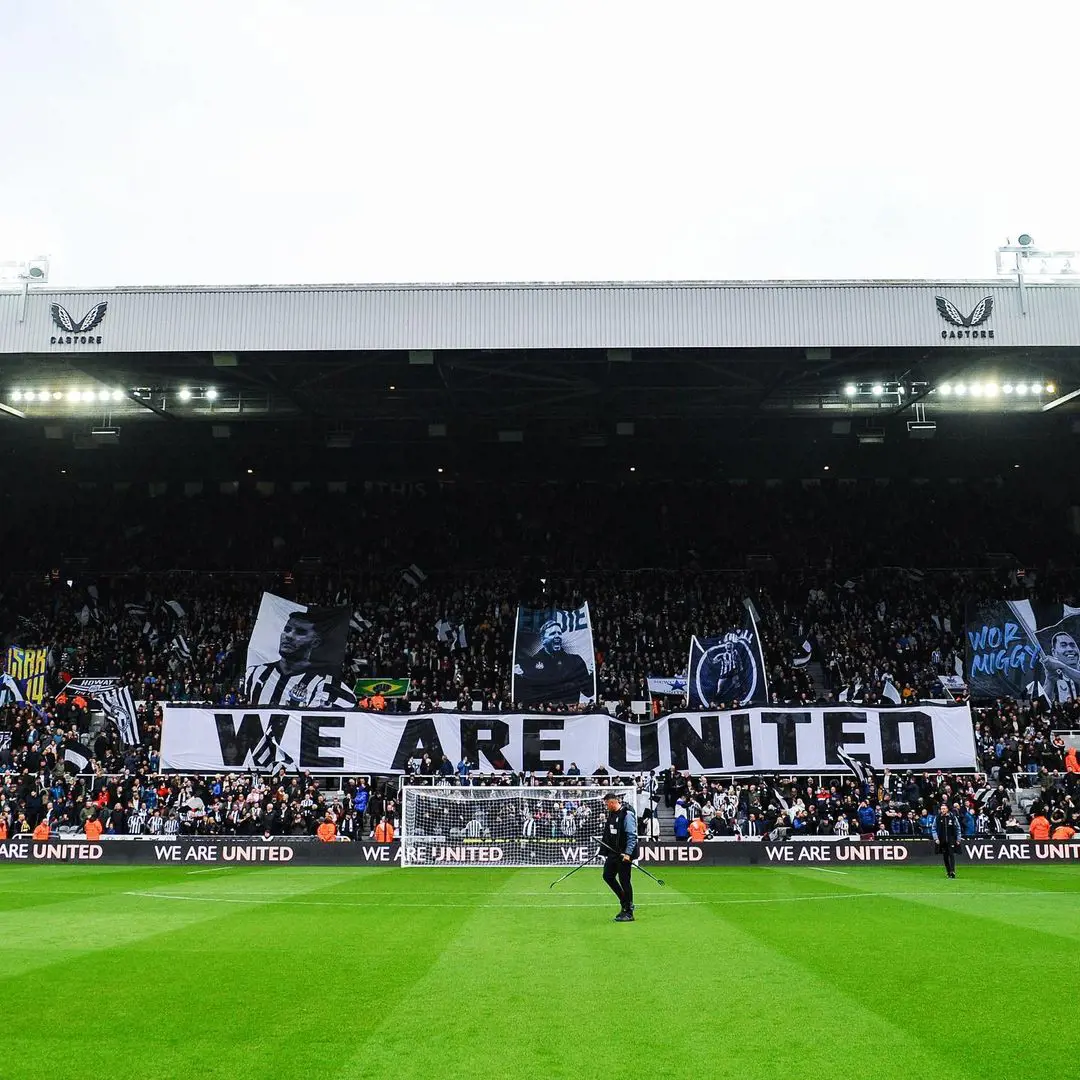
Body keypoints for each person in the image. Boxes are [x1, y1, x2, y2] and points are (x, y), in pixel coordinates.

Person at [244, 610, 356, 709]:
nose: (289, 635)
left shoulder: (322, 682)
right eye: (287, 629)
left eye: (300, 632)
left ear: (315, 642)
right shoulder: (255, 672)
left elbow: (351, 704)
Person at [513, 619, 594, 705]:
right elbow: (524, 695)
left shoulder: (575, 661)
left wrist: (593, 675)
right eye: (552, 634)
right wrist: (517, 678)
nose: (557, 636)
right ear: (542, 639)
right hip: (542, 713)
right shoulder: (530, 663)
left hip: (569, 712)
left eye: (559, 633)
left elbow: (589, 692)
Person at [599, 790, 637, 922]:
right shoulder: (611, 814)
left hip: (624, 854)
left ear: (612, 802)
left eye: (606, 804)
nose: (605, 807)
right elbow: (609, 834)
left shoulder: (627, 814)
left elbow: (632, 836)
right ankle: (624, 902)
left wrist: (628, 853)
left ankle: (629, 911)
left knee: (624, 880)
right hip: (613, 853)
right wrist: (604, 850)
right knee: (607, 876)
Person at [935, 801, 962, 878]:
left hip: (951, 839)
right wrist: (936, 838)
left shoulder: (953, 817)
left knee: (951, 855)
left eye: (944, 809)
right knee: (945, 856)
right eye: (941, 809)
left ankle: (953, 871)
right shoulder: (938, 818)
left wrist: (958, 838)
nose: (942, 810)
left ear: (947, 809)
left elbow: (958, 828)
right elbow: (934, 828)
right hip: (942, 840)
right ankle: (948, 871)